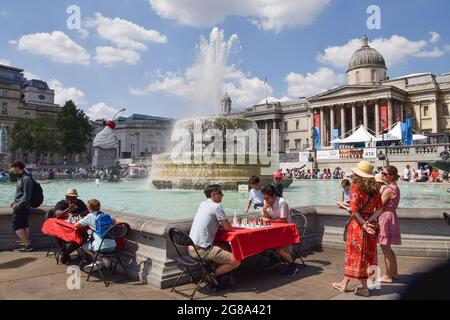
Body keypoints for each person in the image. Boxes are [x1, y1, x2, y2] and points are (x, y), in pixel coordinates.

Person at [332, 160, 383, 297]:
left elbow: (354, 210)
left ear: (359, 175)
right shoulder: (376, 188)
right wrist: (369, 220)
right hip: (371, 224)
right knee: (368, 254)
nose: (352, 174)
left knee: (357, 255)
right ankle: (344, 283)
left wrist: (363, 223)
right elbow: (380, 209)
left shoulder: (355, 187)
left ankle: (365, 288)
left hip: (358, 225)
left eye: (355, 173)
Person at [188, 185, 241, 288]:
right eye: (220, 193)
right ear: (213, 195)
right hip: (203, 250)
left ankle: (211, 270)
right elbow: (228, 228)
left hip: (191, 248)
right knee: (236, 261)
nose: (222, 195)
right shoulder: (217, 206)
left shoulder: (202, 204)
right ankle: (211, 275)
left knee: (225, 247)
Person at [260, 185, 298, 277]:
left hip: (286, 233)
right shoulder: (268, 203)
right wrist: (264, 209)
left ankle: (293, 266)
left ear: (273, 196)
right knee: (260, 242)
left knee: (279, 249)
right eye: (264, 198)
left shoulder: (282, 203)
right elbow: (267, 217)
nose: (265, 200)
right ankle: (274, 259)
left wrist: (268, 220)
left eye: (267, 198)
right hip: (275, 232)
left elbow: (283, 220)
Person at [74, 199, 116, 271]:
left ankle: (102, 259)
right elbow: (114, 220)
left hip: (101, 247)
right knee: (94, 243)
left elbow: (76, 225)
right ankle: (99, 263)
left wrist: (86, 223)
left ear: (89, 208)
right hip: (113, 246)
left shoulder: (89, 216)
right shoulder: (106, 215)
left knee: (84, 246)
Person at [52, 188, 89, 263]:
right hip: (62, 228)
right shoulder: (61, 204)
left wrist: (79, 214)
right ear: (66, 197)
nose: (72, 199)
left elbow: (87, 211)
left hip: (75, 228)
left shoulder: (80, 203)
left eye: (74, 197)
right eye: (70, 197)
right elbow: (57, 214)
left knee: (84, 236)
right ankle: (64, 251)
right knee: (56, 234)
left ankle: (65, 254)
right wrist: (69, 209)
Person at [378, 165, 402, 283]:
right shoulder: (395, 187)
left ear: (392, 176)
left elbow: (379, 205)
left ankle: (388, 275)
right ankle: (394, 272)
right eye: (382, 173)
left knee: (385, 248)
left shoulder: (388, 189)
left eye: (385, 174)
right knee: (388, 248)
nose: (382, 175)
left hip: (385, 217)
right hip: (391, 216)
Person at [10, 161, 34, 252]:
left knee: (16, 226)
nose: (12, 170)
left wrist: (17, 205)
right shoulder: (21, 177)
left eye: (12, 168)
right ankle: (26, 245)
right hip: (22, 205)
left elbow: (27, 196)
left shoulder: (26, 178)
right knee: (24, 225)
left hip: (22, 207)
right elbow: (20, 193)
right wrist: (14, 202)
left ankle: (27, 245)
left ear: (17, 167)